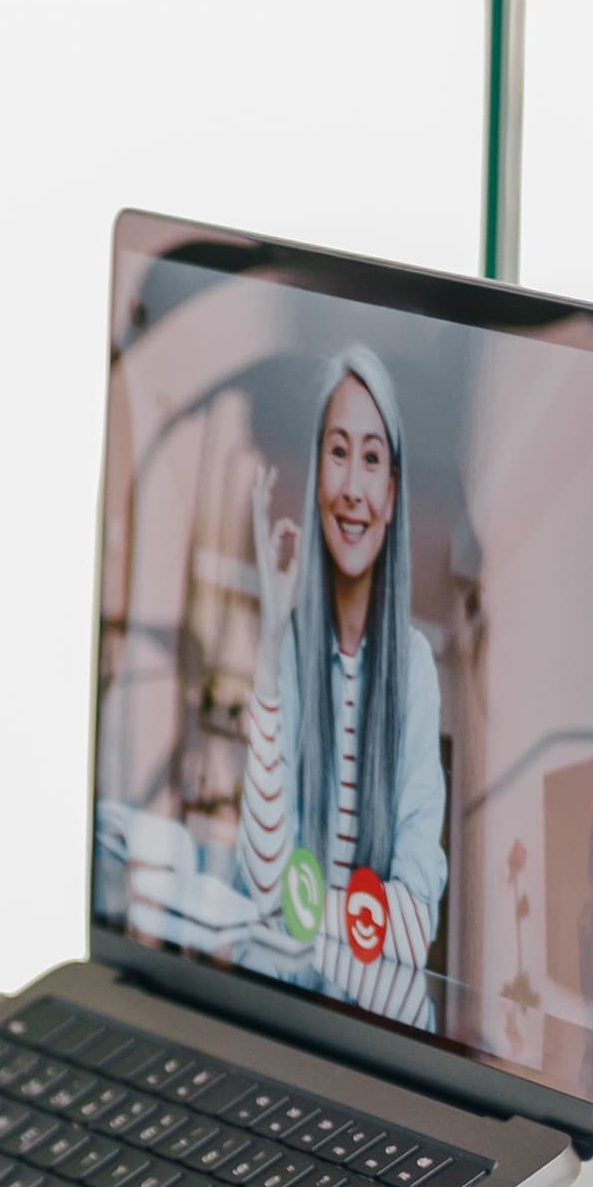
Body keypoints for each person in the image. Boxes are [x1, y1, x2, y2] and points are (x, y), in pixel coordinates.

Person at [211, 350, 448, 1027]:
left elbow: (414, 925)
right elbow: (263, 879)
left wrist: (301, 910)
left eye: (371, 459)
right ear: (317, 473)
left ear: (392, 494)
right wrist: (268, 647)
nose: (352, 487)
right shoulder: (288, 650)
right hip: (277, 1019)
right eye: (338, 453)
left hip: (374, 1033)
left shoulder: (415, 668)